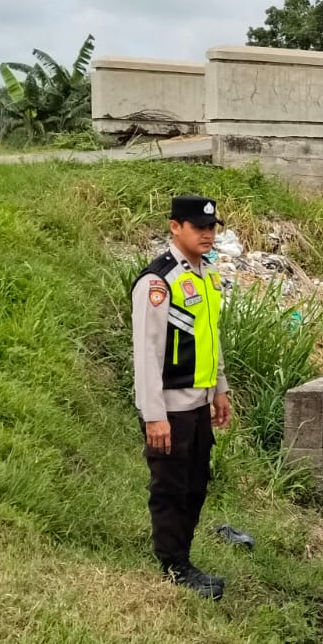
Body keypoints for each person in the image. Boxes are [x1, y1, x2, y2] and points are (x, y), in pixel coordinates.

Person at [131, 194, 234, 599]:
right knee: (170, 490)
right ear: (175, 227)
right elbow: (147, 354)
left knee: (194, 486)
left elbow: (211, 337)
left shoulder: (206, 275)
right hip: (170, 407)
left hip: (198, 404)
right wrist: (154, 415)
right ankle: (173, 566)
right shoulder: (159, 282)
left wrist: (219, 388)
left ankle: (184, 559)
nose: (207, 234)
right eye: (198, 227)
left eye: (211, 228)